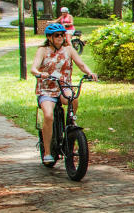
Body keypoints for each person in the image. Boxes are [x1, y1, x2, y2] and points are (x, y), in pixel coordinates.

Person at [31, 22, 96, 165]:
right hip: (47, 89)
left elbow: (81, 64)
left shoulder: (69, 49)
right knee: (48, 115)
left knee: (73, 98)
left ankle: (70, 125)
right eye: (56, 35)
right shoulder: (42, 50)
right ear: (49, 37)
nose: (60, 37)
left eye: (62, 35)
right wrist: (40, 74)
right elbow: (34, 68)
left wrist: (90, 73)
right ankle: (48, 152)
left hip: (63, 86)